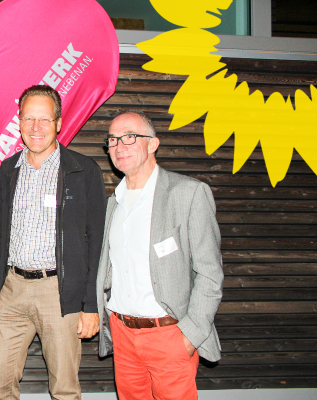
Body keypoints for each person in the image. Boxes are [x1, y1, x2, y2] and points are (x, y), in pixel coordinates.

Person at [0, 85, 107, 400]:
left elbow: (96, 240)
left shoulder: (83, 170)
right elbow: (2, 232)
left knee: (64, 387)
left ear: (59, 122)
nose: (36, 127)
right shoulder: (7, 170)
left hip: (59, 292)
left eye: (44, 119)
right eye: (28, 119)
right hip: (13, 289)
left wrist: (90, 305)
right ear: (18, 122)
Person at [96, 110, 224, 400]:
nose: (119, 146)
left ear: (153, 144)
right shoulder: (113, 204)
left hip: (169, 335)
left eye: (130, 137)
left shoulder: (188, 194)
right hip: (123, 334)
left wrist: (189, 335)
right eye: (113, 140)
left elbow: (210, 273)